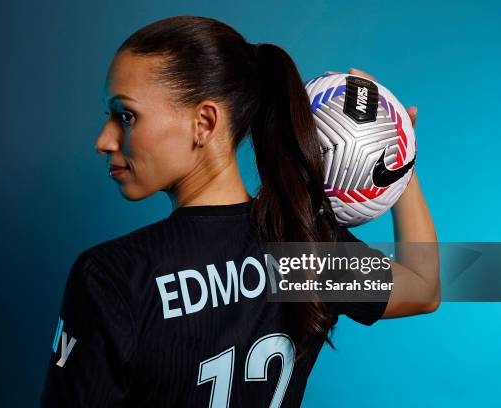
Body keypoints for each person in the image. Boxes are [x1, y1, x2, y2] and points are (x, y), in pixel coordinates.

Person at [40, 15, 440, 407]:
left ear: (204, 123)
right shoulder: (303, 252)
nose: (104, 140)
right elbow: (425, 288)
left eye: (126, 115)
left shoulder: (113, 276)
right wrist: (397, 152)